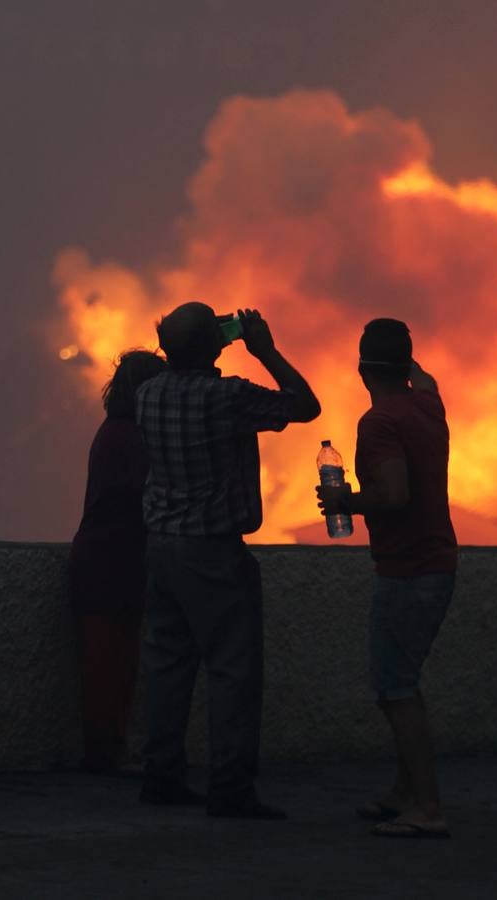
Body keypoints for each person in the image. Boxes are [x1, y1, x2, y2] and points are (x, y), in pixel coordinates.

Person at [135, 302, 320, 819]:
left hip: (161, 545)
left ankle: (162, 776)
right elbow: (304, 406)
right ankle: (231, 787)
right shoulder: (226, 397)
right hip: (212, 550)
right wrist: (265, 350)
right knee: (232, 670)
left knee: (168, 666)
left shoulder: (147, 393)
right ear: (214, 344)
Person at [317, 317, 458, 839]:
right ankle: (404, 793)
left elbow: (394, 494)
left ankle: (427, 807)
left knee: (396, 689)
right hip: (437, 563)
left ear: (360, 368)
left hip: (407, 570)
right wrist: (407, 367)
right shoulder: (426, 403)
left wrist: (344, 501)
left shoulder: (379, 423)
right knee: (402, 685)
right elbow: (425, 377)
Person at [67, 349, 169, 773]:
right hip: (112, 563)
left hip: (109, 561)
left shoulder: (115, 431)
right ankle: (106, 750)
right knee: (109, 661)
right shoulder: (129, 437)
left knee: (114, 659)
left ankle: (111, 747)